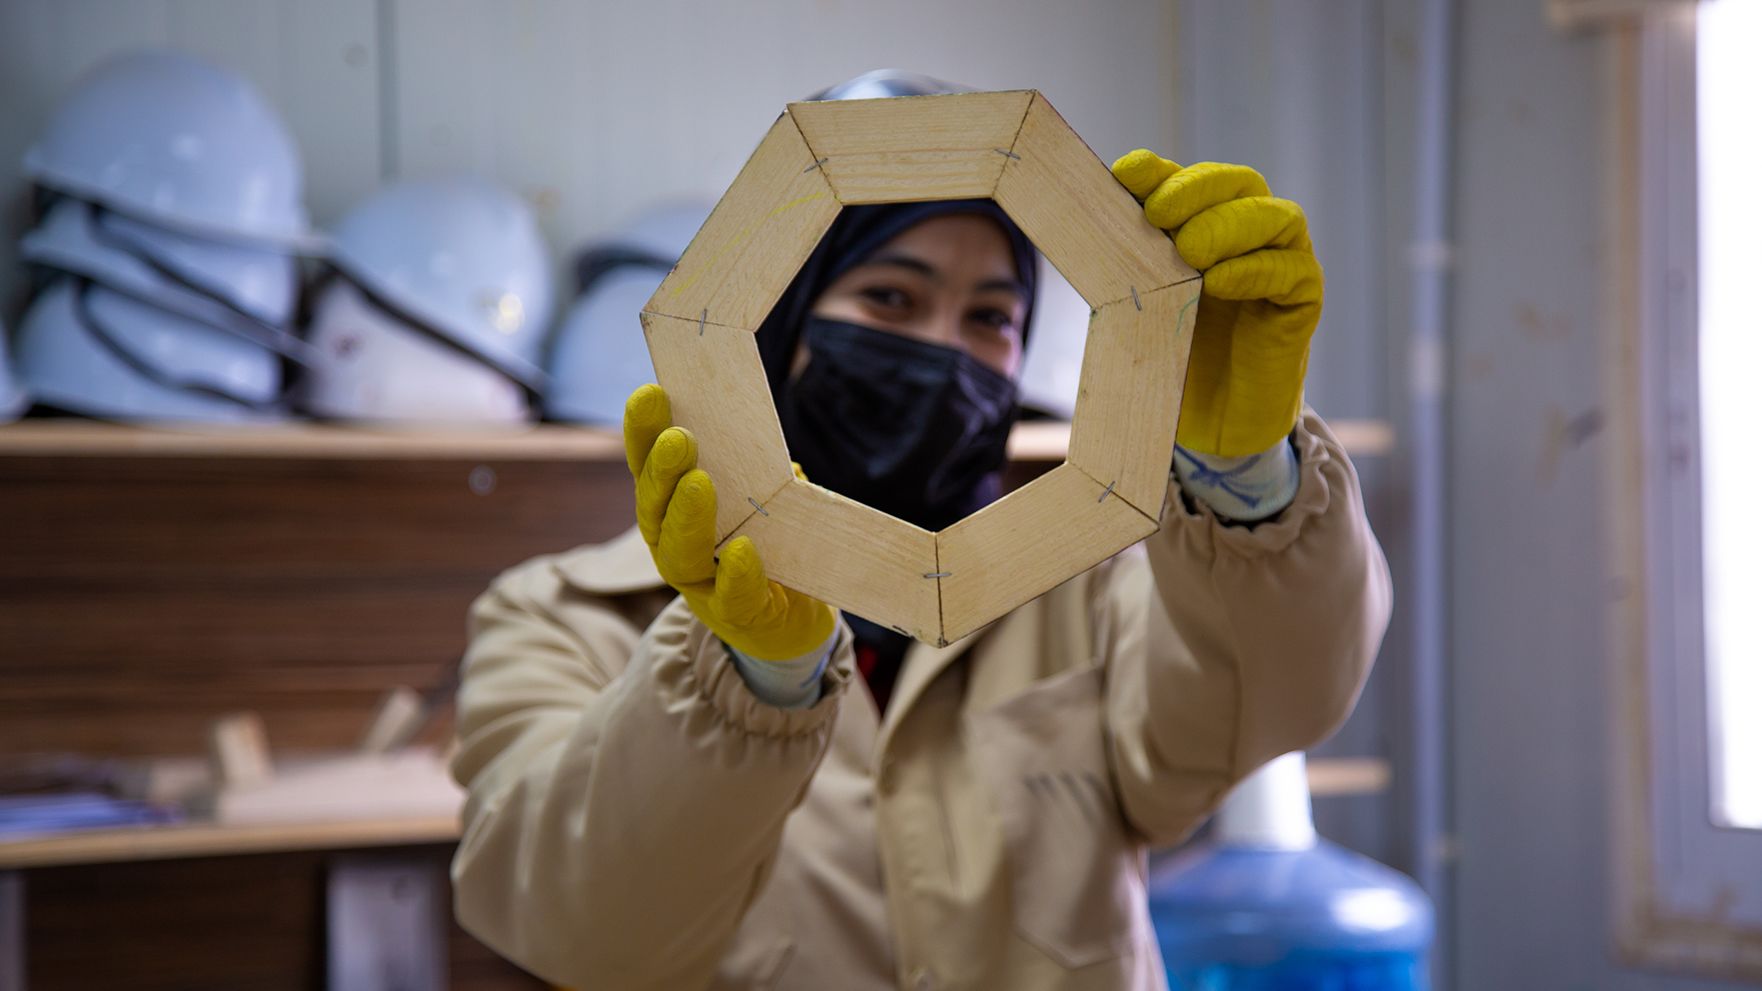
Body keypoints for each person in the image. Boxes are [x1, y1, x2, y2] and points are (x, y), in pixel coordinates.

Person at [447, 107, 1391, 989]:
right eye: (892, 297)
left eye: (990, 317)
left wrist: (1243, 484)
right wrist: (747, 677)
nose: (945, 348)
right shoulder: (559, 614)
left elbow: (1270, 698)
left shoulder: (1085, 584)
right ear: (776, 326)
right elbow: (574, 925)